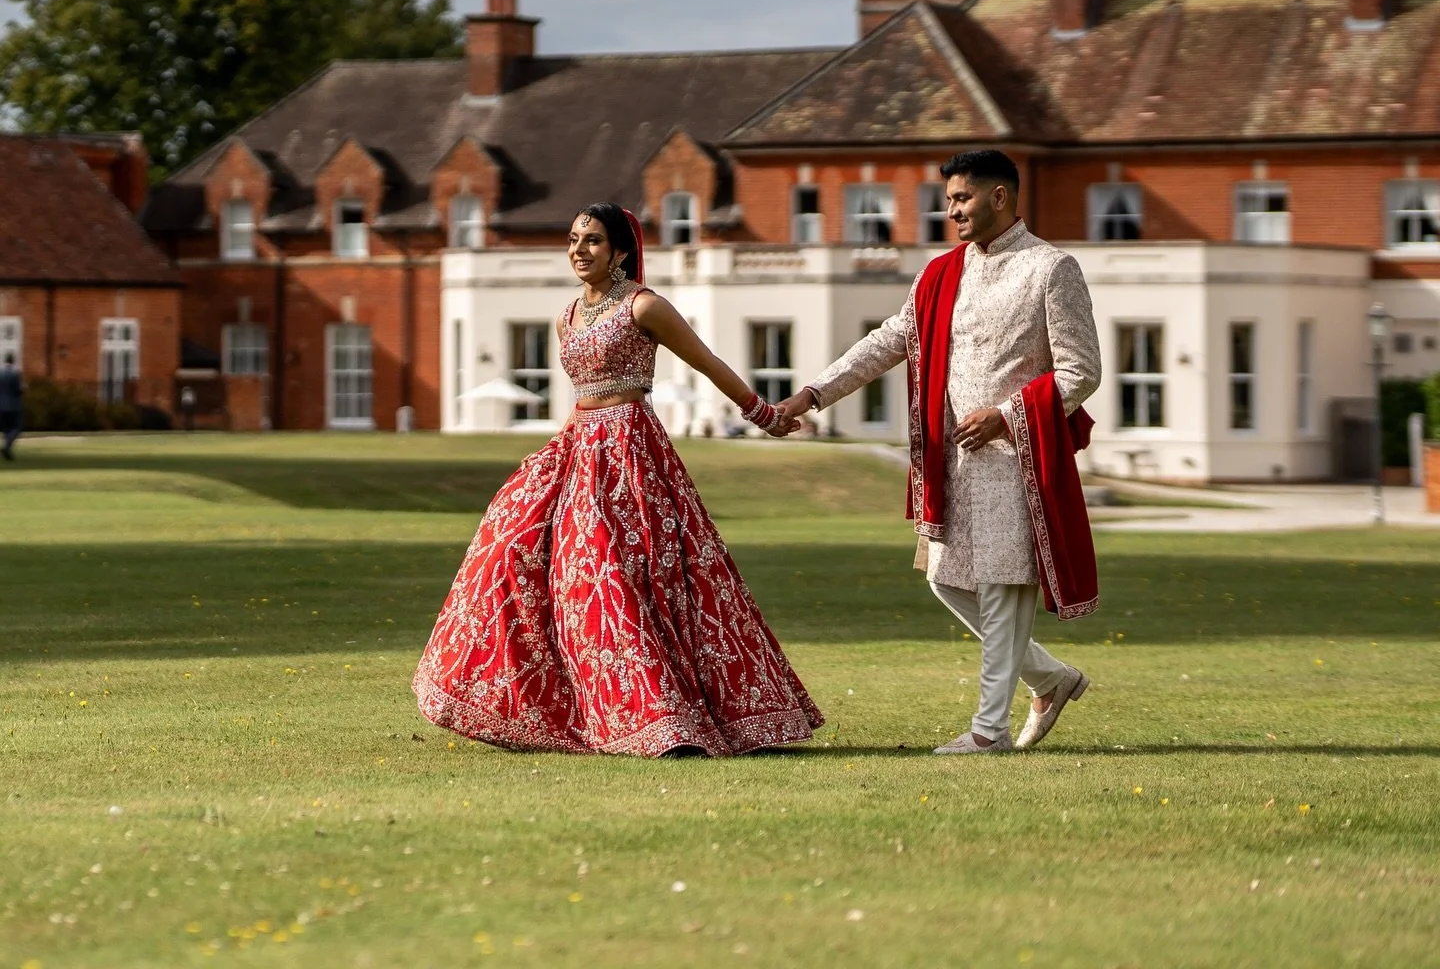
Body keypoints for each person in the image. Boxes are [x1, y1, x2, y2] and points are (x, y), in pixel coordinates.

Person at [414, 202, 822, 758]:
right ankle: (537, 706)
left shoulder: (644, 306)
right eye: (574, 238)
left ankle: (665, 722)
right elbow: (582, 390)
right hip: (578, 445)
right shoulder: (568, 315)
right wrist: (559, 450)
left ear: (621, 251)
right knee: (509, 548)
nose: (579, 250)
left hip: (630, 449)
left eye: (594, 241)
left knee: (617, 575)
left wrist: (764, 415)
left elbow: (707, 361)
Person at [778, 150, 1101, 755]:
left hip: (1018, 463)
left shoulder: (1051, 269)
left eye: (961, 199)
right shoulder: (939, 273)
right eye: (949, 199)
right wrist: (813, 394)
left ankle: (989, 731)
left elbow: (1080, 372)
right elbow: (889, 341)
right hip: (950, 462)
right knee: (945, 581)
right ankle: (1051, 679)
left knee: (1005, 588)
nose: (949, 210)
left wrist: (1006, 419)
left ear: (999, 197)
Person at [0, 353, 22, 461]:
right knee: (16, 428)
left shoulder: (0, 373)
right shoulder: (14, 374)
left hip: (1, 406)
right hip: (13, 406)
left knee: (6, 429)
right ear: (13, 360)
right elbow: (18, 390)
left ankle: (8, 451)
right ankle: (7, 447)